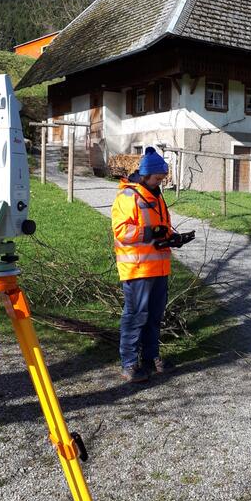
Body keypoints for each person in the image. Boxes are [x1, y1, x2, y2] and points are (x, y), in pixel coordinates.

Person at [111, 146, 174, 383]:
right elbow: (121, 232)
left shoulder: (156, 195)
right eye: (158, 178)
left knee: (154, 316)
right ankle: (129, 364)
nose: (160, 182)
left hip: (158, 268)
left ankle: (151, 357)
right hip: (137, 269)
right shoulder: (128, 197)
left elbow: (162, 227)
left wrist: (171, 237)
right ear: (145, 175)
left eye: (162, 178)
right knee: (136, 316)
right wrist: (150, 232)